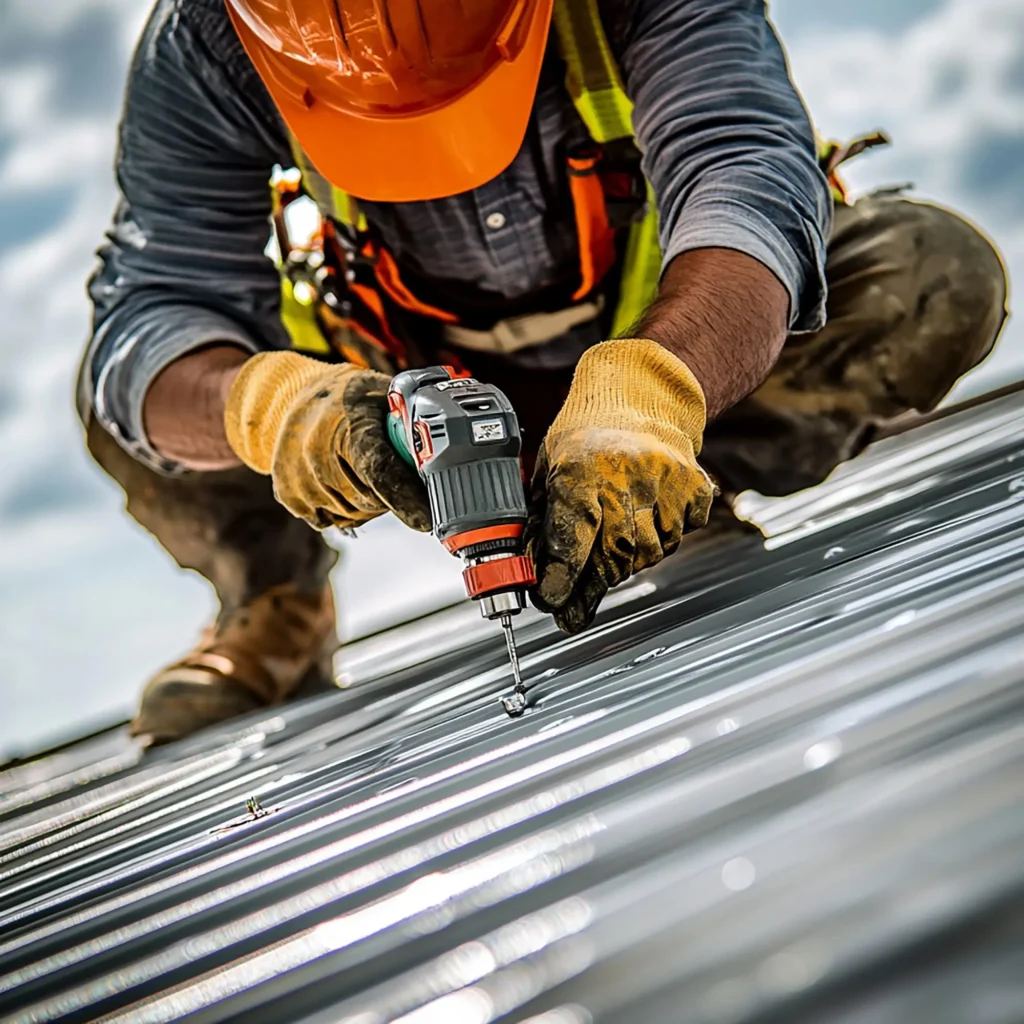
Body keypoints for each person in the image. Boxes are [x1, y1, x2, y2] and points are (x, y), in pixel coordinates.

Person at [79, 0, 1007, 743]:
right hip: (400, 393)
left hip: (661, 352)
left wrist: (648, 396)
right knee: (141, 390)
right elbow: (152, 309)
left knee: (928, 278)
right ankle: (275, 600)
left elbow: (743, 173)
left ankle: (661, 492)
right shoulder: (212, 38)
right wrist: (280, 412)